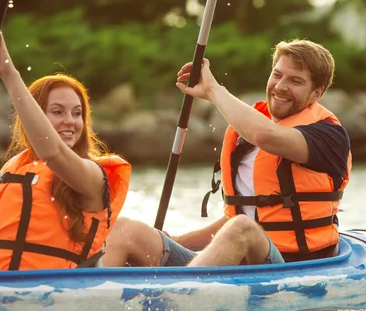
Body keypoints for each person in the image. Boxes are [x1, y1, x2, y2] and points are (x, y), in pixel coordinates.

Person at [103, 39, 350, 267]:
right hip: (235, 261)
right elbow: (238, 219)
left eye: (295, 81)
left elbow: (265, 137)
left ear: (317, 93)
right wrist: (177, 240)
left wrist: (212, 90)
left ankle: (178, 296)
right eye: (277, 75)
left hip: (293, 265)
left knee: (242, 227)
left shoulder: (328, 136)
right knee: (125, 229)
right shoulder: (246, 135)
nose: (280, 86)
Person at [0, 29, 131, 271]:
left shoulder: (92, 175)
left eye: (77, 113)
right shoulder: (13, 170)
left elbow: (52, 153)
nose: (70, 121)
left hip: (45, 286)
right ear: (35, 116)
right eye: (57, 112)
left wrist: (8, 72)